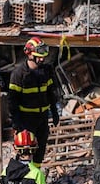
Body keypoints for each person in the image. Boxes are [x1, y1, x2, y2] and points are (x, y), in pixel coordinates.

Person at [7, 37, 61, 167]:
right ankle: (22, 175)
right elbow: (12, 101)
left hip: (42, 118)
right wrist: (16, 123)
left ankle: (35, 176)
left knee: (40, 148)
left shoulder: (46, 71)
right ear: (30, 54)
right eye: (39, 56)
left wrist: (54, 112)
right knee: (25, 149)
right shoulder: (18, 74)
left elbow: (50, 93)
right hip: (26, 120)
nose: (42, 59)